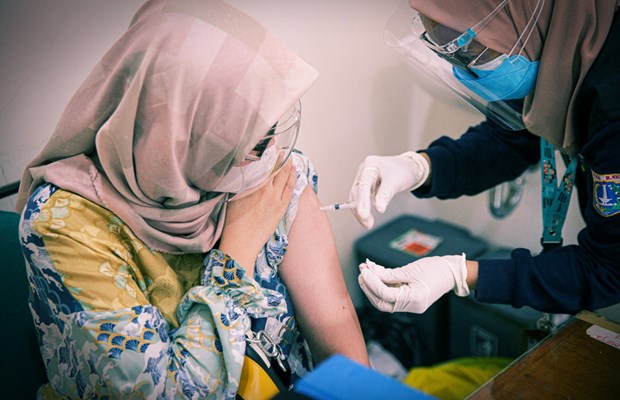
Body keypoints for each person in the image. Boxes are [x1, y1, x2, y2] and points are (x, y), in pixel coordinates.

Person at [15, 0, 368, 397]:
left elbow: (335, 333)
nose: (270, 152)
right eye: (246, 135)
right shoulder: (66, 226)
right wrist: (236, 255)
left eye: (268, 123)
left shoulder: (269, 172)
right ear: (176, 136)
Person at [352, 0, 620, 316]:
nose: (467, 71)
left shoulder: (612, 105)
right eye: (444, 50)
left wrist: (461, 274)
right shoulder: (558, 46)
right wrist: (421, 167)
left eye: (471, 53)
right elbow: (511, 136)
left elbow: (608, 269)